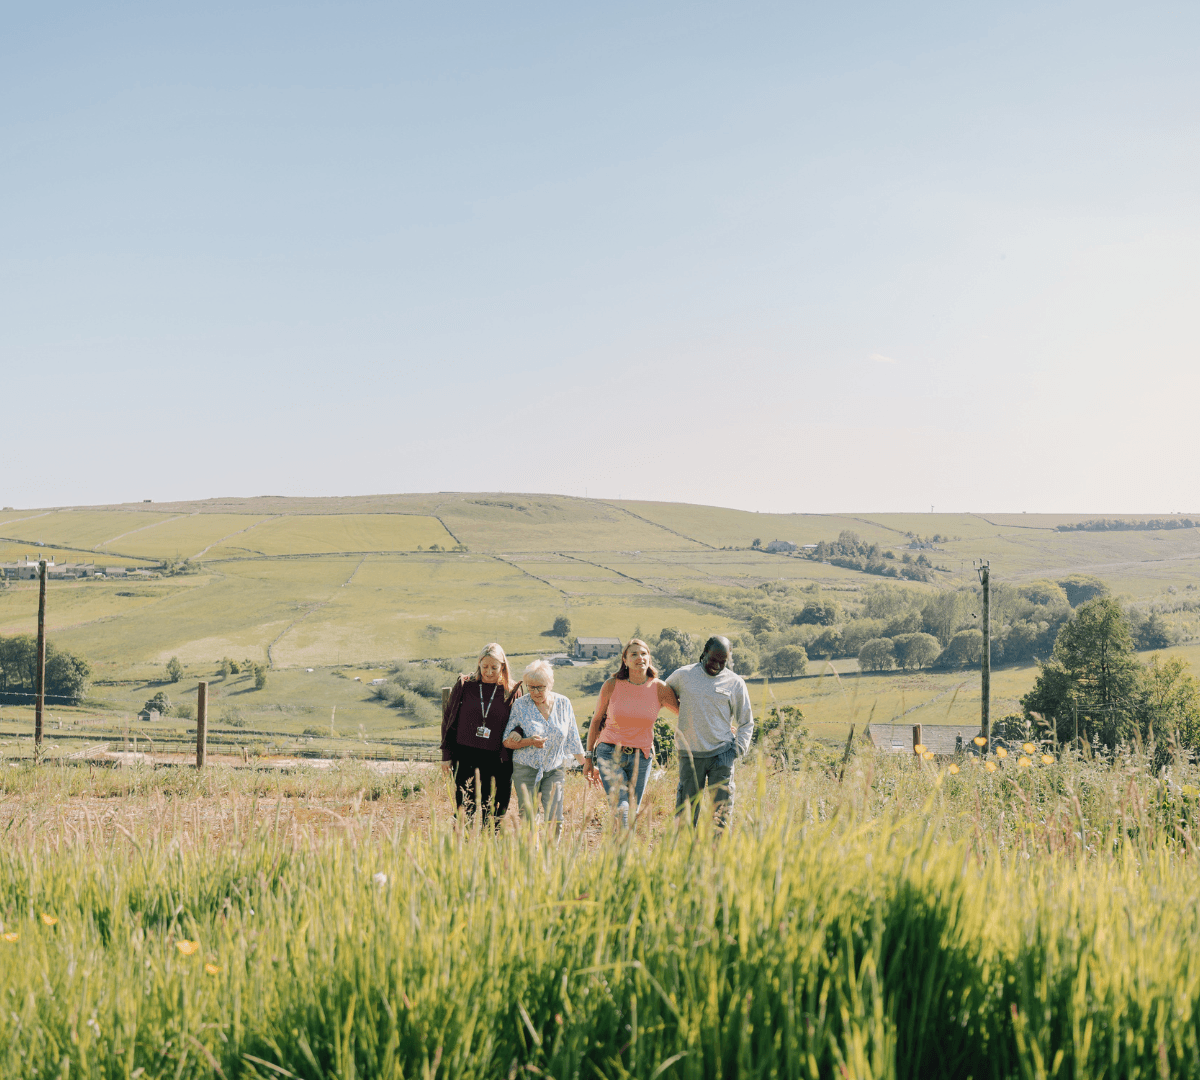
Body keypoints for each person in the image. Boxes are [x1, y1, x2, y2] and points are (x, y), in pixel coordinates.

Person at [584, 639, 678, 827]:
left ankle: (619, 851)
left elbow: (685, 714)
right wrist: (588, 758)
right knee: (621, 807)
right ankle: (625, 848)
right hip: (609, 751)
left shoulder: (660, 688)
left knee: (631, 809)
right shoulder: (612, 685)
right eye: (633, 654)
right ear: (624, 660)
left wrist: (722, 723)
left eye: (643, 653)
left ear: (649, 658)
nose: (639, 658)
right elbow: (596, 722)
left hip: (641, 757)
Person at [666, 635, 753, 827]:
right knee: (686, 812)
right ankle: (684, 854)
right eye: (713, 659)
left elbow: (746, 722)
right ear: (704, 653)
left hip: (722, 755)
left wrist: (736, 751)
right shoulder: (683, 675)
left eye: (722, 662)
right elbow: (662, 693)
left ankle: (715, 855)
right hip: (690, 754)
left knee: (720, 814)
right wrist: (682, 711)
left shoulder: (735, 683)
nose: (716, 665)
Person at [502, 659, 589, 834]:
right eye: (531, 687)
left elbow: (573, 739)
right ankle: (531, 856)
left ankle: (551, 856)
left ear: (550, 684)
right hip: (526, 769)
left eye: (540, 687)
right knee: (528, 819)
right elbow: (507, 741)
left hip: (554, 769)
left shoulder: (563, 703)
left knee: (555, 818)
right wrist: (529, 742)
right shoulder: (520, 705)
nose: (535, 692)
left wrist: (586, 766)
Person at [441, 643, 522, 826]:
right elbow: (448, 721)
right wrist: (446, 755)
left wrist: (517, 732)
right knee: (464, 812)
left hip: (498, 762)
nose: (489, 672)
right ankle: (463, 850)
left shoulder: (511, 691)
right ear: (478, 664)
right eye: (484, 666)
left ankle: (489, 849)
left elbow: (520, 722)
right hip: (466, 758)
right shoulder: (465, 685)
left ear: (503, 666)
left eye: (494, 667)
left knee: (493, 815)